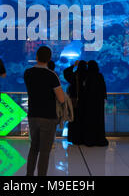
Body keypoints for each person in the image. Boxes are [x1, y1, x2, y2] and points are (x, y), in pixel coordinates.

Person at [24, 46, 65, 176]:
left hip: (33, 115)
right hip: (48, 116)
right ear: (49, 59)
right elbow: (61, 98)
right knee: (45, 151)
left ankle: (29, 175)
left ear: (36, 57)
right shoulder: (52, 75)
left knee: (34, 148)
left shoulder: (27, 73)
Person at [83, 60, 108, 147]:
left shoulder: (87, 76)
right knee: (99, 119)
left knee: (89, 120)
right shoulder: (99, 75)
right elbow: (103, 88)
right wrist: (104, 98)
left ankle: (90, 140)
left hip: (89, 102)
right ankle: (99, 139)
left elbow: (85, 89)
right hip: (99, 102)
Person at [63, 60, 88, 145]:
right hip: (86, 103)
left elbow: (66, 72)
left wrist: (74, 65)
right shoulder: (89, 76)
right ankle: (85, 138)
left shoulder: (75, 75)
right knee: (85, 120)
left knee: (74, 119)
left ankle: (74, 138)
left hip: (74, 102)